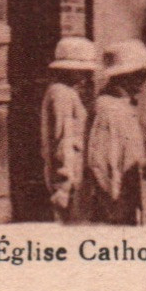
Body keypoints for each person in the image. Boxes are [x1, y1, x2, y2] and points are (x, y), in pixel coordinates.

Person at [83, 39, 146, 224]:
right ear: (126, 77)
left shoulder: (122, 106)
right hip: (116, 205)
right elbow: (100, 163)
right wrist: (114, 204)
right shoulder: (108, 110)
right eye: (141, 76)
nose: (144, 83)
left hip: (127, 199)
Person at [40, 36, 98, 222]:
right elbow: (63, 139)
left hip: (72, 172)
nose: (85, 76)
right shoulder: (62, 94)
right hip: (70, 175)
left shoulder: (60, 91)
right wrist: (65, 182)